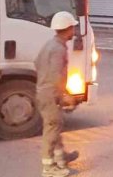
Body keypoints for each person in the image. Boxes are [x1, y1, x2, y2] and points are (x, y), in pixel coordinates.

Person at [35, 11, 80, 177]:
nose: (74, 31)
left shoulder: (50, 44)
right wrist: (65, 94)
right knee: (52, 128)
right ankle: (49, 168)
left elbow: (37, 63)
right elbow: (56, 75)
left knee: (55, 124)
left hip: (44, 91)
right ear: (67, 29)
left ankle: (61, 158)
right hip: (51, 93)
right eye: (73, 28)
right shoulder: (58, 49)